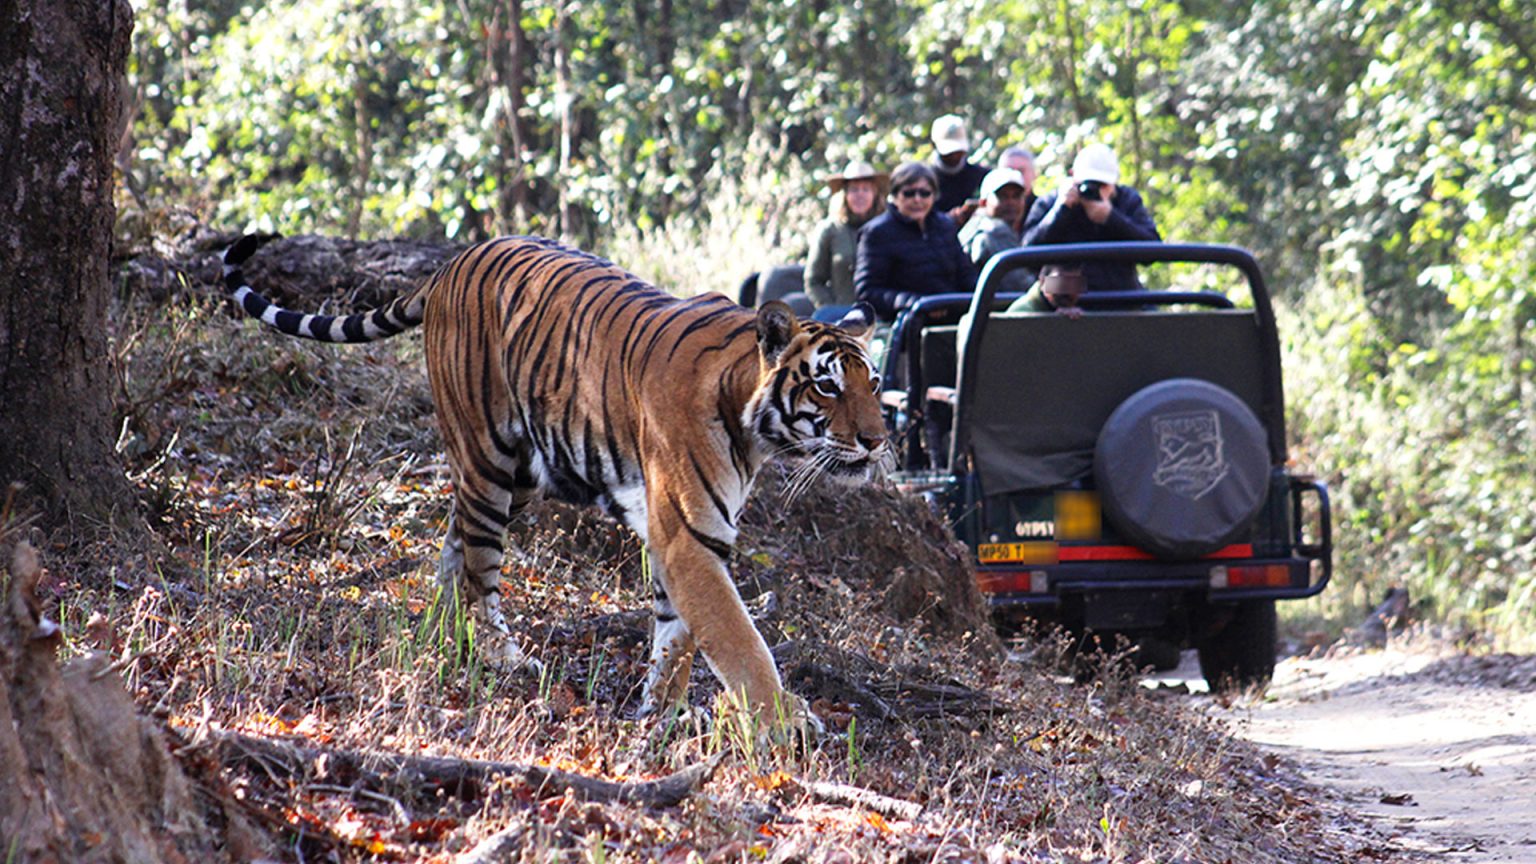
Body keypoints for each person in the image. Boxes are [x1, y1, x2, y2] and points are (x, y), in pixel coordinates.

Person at [1021, 142, 1161, 292]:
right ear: (1072, 175)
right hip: (1063, 295)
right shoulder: (1050, 202)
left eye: (1102, 185)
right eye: (1088, 183)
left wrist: (1112, 218)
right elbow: (1028, 255)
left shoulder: (1126, 200)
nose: (1094, 191)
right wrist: (1060, 211)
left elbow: (1153, 250)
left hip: (1119, 292)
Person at [854, 161, 976, 322]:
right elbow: (868, 291)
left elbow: (965, 274)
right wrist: (913, 302)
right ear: (896, 196)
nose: (917, 200)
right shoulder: (877, 233)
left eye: (925, 193)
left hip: (953, 318)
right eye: (909, 193)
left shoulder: (945, 226)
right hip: (905, 324)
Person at [804, 160, 887, 309]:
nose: (860, 195)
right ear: (845, 194)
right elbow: (813, 280)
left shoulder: (886, 227)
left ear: (875, 194)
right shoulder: (830, 229)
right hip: (842, 316)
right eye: (854, 190)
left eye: (866, 189)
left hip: (882, 315)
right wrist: (830, 308)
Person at [958, 166, 1033, 293]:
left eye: (1016, 196)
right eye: (1002, 197)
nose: (1011, 203)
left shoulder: (974, 225)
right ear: (983, 203)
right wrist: (1059, 287)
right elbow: (1020, 284)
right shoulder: (994, 230)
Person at [929, 114, 989, 224]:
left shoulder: (981, 176)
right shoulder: (925, 180)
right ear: (934, 146)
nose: (954, 156)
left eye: (958, 151)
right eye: (949, 152)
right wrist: (948, 219)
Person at [1006, 264, 1087, 318]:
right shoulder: (1022, 313)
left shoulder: (1082, 310)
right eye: (1059, 283)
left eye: (1074, 284)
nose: (1067, 291)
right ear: (1042, 281)